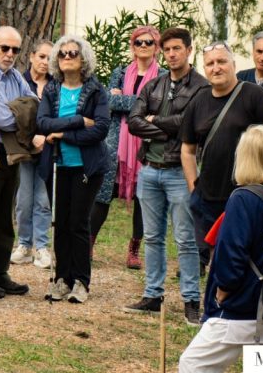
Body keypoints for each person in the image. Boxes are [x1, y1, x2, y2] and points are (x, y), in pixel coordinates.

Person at [179, 125, 263, 373]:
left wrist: (223, 290)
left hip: (240, 305)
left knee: (194, 364)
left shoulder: (244, 198)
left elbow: (231, 253)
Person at [123, 27, 205, 324]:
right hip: (149, 171)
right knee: (153, 237)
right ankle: (153, 295)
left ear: (188, 50)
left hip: (179, 172)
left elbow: (192, 123)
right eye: (167, 49)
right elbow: (133, 122)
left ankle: (191, 301)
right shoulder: (153, 84)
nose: (171, 54)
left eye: (176, 49)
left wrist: (155, 120)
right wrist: (168, 126)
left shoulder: (201, 88)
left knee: (185, 239)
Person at [180, 41, 263, 275]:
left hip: (244, 196)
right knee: (212, 261)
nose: (216, 68)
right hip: (208, 198)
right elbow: (187, 149)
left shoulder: (255, 95)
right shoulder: (199, 101)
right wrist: (194, 187)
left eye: (222, 61)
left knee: (238, 260)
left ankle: (232, 307)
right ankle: (213, 307)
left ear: (233, 64)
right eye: (210, 64)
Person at [37, 35, 109, 304]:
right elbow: (43, 123)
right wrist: (79, 120)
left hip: (85, 167)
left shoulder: (96, 91)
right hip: (57, 165)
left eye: (73, 53)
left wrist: (63, 134)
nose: (67, 57)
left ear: (84, 60)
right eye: (62, 54)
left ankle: (81, 281)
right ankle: (61, 279)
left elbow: (100, 129)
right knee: (61, 223)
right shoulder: (52, 90)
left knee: (78, 223)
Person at [90, 26, 165, 269]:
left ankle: (134, 249)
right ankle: (88, 243)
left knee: (143, 197)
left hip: (147, 143)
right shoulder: (120, 73)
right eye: (138, 42)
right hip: (116, 142)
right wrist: (142, 105)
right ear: (132, 46)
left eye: (149, 43)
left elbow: (159, 107)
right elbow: (109, 102)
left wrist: (125, 100)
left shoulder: (163, 76)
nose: (143, 46)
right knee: (103, 194)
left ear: (156, 47)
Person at [0, 26, 36, 299]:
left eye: (15, 49)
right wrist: (21, 112)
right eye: (5, 48)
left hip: (13, 152)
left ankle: (1, 273)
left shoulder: (15, 77)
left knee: (4, 216)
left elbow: (37, 107)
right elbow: (0, 118)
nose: (10, 54)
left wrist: (21, 112)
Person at [10, 39, 53, 268]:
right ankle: (24, 244)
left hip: (48, 149)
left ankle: (42, 246)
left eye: (49, 58)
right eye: (42, 57)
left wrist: (47, 138)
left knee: (43, 200)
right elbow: (13, 114)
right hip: (24, 150)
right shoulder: (19, 80)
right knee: (24, 200)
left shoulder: (56, 85)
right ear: (32, 56)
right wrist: (30, 140)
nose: (45, 62)